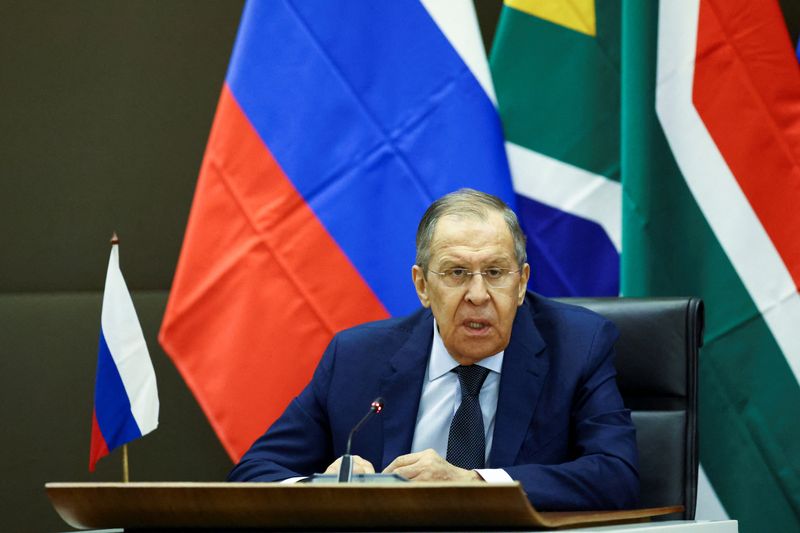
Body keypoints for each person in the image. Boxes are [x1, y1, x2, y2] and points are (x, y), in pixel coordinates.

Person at [227, 189, 639, 510]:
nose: (478, 295)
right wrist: (319, 489)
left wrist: (474, 482)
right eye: (457, 273)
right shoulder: (356, 358)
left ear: (522, 282)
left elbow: (616, 475)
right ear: (423, 285)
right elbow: (251, 473)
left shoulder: (578, 345)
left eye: (495, 273)